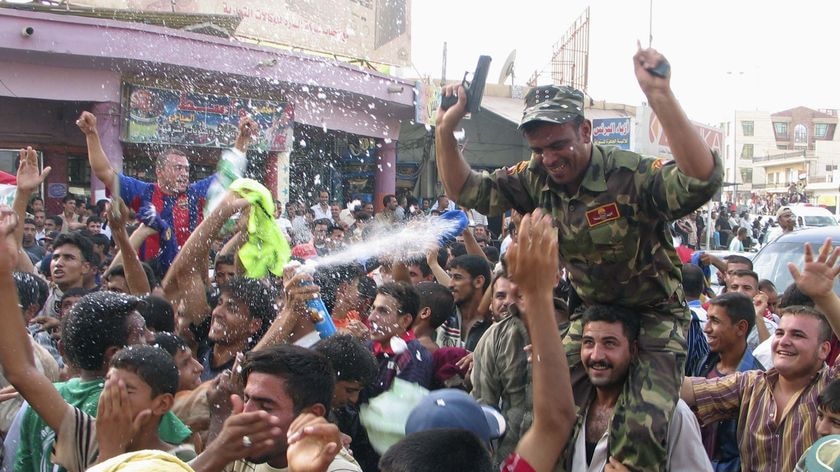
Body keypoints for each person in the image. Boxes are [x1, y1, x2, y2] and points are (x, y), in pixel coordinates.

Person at [436, 45, 722, 471]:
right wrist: (445, 128)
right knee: (547, 410)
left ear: (586, 131)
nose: (550, 159)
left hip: (655, 318)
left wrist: (661, 96)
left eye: (559, 144)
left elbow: (701, 180)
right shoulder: (535, 176)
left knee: (640, 431)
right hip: (589, 315)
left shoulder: (628, 174)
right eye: (539, 149)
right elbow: (467, 190)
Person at [681, 239, 840, 472]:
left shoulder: (830, 386)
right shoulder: (751, 384)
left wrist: (825, 297)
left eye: (797, 335)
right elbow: (684, 389)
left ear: (824, 350)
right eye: (780, 332)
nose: (784, 341)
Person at [76, 111, 256, 272]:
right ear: (159, 172)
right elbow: (104, 172)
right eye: (177, 168)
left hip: (189, 276)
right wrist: (91, 134)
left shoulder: (196, 193)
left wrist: (243, 138)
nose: (184, 174)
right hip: (149, 275)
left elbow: (228, 173)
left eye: (186, 169)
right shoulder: (143, 192)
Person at [570, 304, 712, 471]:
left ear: (633, 350)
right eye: (588, 343)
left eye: (609, 344)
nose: (596, 355)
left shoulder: (671, 414)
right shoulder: (567, 406)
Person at [190, 344, 362, 472]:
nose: (246, 414)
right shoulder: (242, 449)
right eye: (246, 398)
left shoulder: (338, 469)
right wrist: (219, 451)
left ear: (311, 414)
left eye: (265, 406)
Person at [697, 292, 764, 471]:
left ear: (741, 328)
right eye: (707, 319)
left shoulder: (757, 381)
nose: (707, 328)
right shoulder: (705, 363)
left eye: (715, 321)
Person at [471, 270, 531, 467]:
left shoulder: (555, 329)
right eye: (500, 296)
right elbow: (484, 404)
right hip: (506, 453)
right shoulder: (488, 340)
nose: (508, 302)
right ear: (490, 303)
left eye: (516, 295)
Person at [315, 335, 381, 472]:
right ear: (327, 378)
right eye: (349, 390)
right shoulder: (290, 410)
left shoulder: (348, 416)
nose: (354, 399)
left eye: (358, 392)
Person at [365, 282, 433, 399]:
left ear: (405, 320)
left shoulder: (413, 358)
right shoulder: (369, 346)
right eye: (373, 308)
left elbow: (399, 412)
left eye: (383, 311)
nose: (371, 318)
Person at [438, 255, 492, 351]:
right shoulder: (444, 312)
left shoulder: (492, 323)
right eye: (451, 277)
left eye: (457, 277)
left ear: (479, 282)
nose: (450, 284)